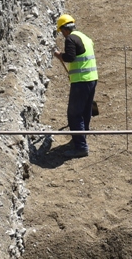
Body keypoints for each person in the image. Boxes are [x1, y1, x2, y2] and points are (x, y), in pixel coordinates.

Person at [53, 14, 98, 157]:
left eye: (61, 32)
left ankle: (80, 147)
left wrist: (59, 54)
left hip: (81, 81)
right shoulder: (85, 37)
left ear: (64, 29)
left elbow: (70, 57)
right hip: (92, 78)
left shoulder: (70, 39)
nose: (62, 35)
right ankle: (83, 135)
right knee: (85, 111)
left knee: (74, 114)